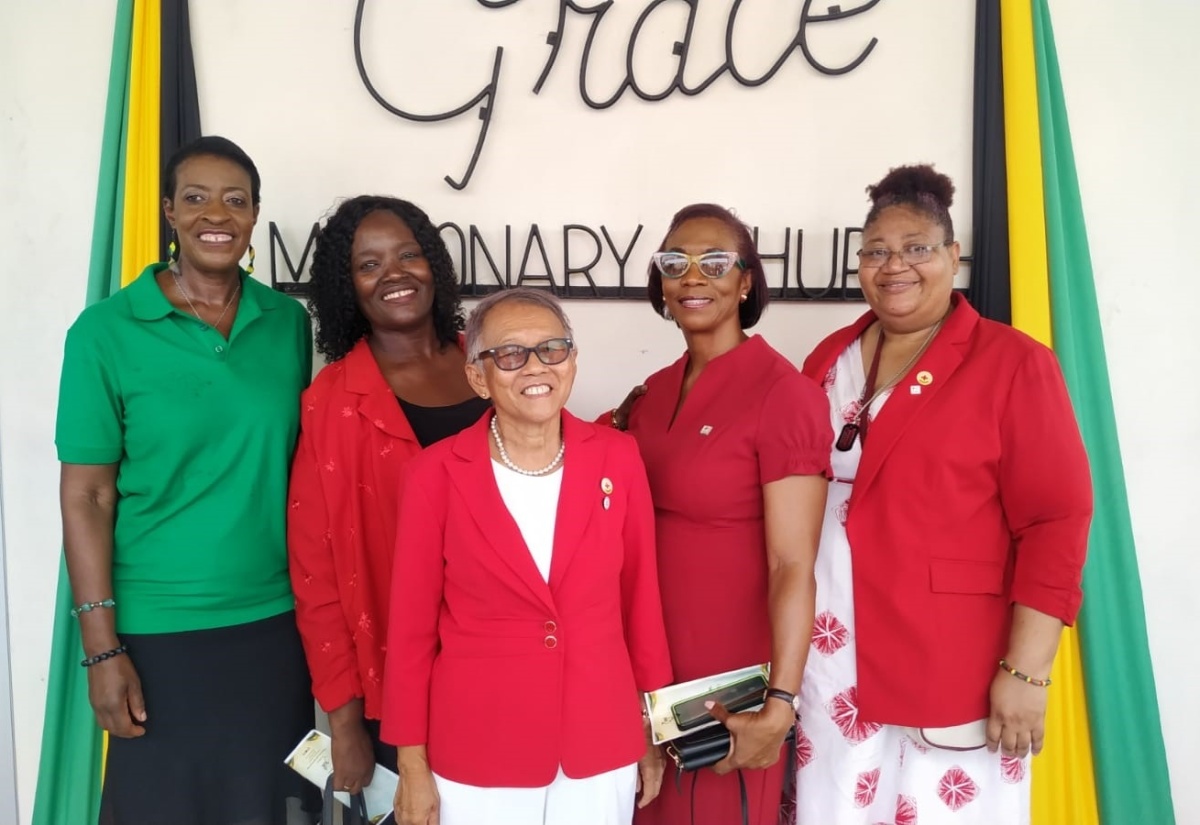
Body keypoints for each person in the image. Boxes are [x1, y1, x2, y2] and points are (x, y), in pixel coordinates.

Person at [786, 164, 1092, 825]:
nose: (895, 265)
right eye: (876, 251)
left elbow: (1056, 521)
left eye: (917, 247)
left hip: (953, 659)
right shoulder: (828, 358)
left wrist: (1028, 672)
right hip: (831, 658)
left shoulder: (1012, 362)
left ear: (953, 257)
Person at [55, 135, 317, 825]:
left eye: (236, 199)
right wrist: (101, 647)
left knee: (272, 807)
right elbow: (87, 495)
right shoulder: (105, 332)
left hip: (273, 628)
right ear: (168, 211)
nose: (216, 213)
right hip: (156, 633)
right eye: (196, 197)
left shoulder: (286, 323)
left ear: (256, 214)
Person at [383, 287, 673, 825]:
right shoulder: (434, 474)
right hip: (478, 748)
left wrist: (651, 728)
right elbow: (410, 632)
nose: (535, 366)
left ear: (573, 360)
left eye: (552, 348)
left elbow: (641, 602)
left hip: (599, 741)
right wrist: (412, 763)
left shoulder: (618, 456)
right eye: (510, 354)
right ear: (478, 376)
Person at [610, 204, 830, 825]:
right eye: (674, 263)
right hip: (641, 652)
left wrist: (781, 702)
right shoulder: (651, 391)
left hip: (725, 668)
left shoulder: (783, 395)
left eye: (715, 262)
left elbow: (794, 563)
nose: (692, 277)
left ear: (746, 282)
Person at [287, 195, 488, 794]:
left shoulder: (491, 363)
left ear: (434, 264)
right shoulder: (333, 401)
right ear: (348, 287)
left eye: (408, 255)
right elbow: (315, 570)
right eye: (369, 264)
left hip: (504, 662)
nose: (395, 274)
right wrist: (344, 722)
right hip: (399, 688)